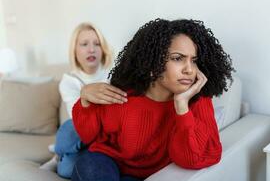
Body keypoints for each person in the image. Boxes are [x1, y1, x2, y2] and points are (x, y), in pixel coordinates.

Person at [71, 19, 235, 181]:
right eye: (178, 58)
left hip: (146, 175)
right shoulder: (123, 96)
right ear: (152, 63)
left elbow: (196, 158)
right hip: (104, 163)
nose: (190, 69)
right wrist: (84, 99)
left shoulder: (198, 101)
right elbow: (89, 137)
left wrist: (182, 107)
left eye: (194, 60)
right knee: (90, 166)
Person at [40, 22, 127, 178]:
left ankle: (60, 150)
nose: (91, 49)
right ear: (75, 50)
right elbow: (79, 118)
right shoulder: (69, 81)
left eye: (97, 44)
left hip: (109, 133)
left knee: (68, 160)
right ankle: (59, 155)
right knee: (69, 132)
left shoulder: (115, 74)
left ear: (103, 49)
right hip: (84, 131)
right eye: (84, 44)